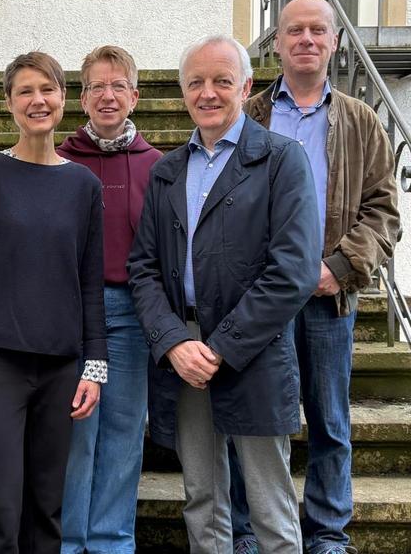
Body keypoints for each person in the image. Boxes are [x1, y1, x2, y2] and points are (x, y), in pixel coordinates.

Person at [127, 35, 321, 554]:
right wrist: (172, 341)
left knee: (270, 501)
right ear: (183, 90)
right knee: (202, 496)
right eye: (196, 82)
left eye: (221, 81)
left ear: (247, 85)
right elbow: (142, 270)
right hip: (184, 350)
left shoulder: (281, 160)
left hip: (251, 348)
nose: (207, 93)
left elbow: (294, 272)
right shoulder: (167, 172)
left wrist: (222, 346)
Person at [229, 0, 400, 554]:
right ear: (276, 43)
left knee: (329, 421)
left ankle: (327, 532)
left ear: (332, 41)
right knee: (249, 418)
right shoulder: (246, 115)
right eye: (294, 30)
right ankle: (247, 529)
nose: (305, 38)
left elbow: (383, 209)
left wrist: (341, 266)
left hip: (327, 298)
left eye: (317, 30)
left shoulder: (360, 119)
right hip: (256, 298)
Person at [0, 51, 107, 554]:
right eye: (25, 91)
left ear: (64, 98)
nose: (38, 101)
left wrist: (94, 365)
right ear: (9, 102)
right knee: (2, 505)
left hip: (61, 364)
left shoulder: (83, 184)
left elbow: (90, 281)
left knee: (47, 502)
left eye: (48, 89)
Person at [57, 45, 160, 554]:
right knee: (77, 430)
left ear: (135, 96)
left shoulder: (158, 167)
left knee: (123, 429)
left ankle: (112, 540)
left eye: (118, 85)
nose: (108, 94)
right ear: (82, 97)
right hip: (71, 311)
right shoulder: (59, 161)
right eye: (97, 85)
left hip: (131, 311)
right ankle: (69, 540)